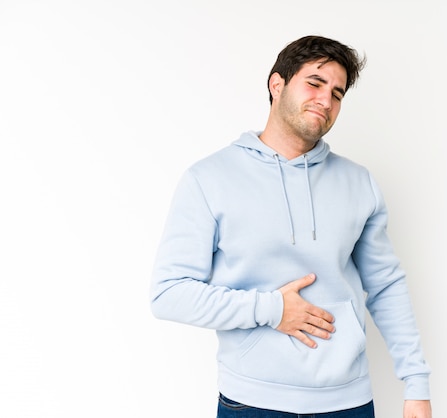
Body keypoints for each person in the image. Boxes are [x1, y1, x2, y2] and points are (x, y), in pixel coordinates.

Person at [150, 35, 432, 418]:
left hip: (348, 403)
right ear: (277, 84)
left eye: (337, 93)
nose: (326, 101)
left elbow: (385, 286)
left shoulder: (358, 182)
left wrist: (416, 385)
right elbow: (169, 294)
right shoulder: (209, 179)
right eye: (314, 84)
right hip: (251, 401)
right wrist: (271, 308)